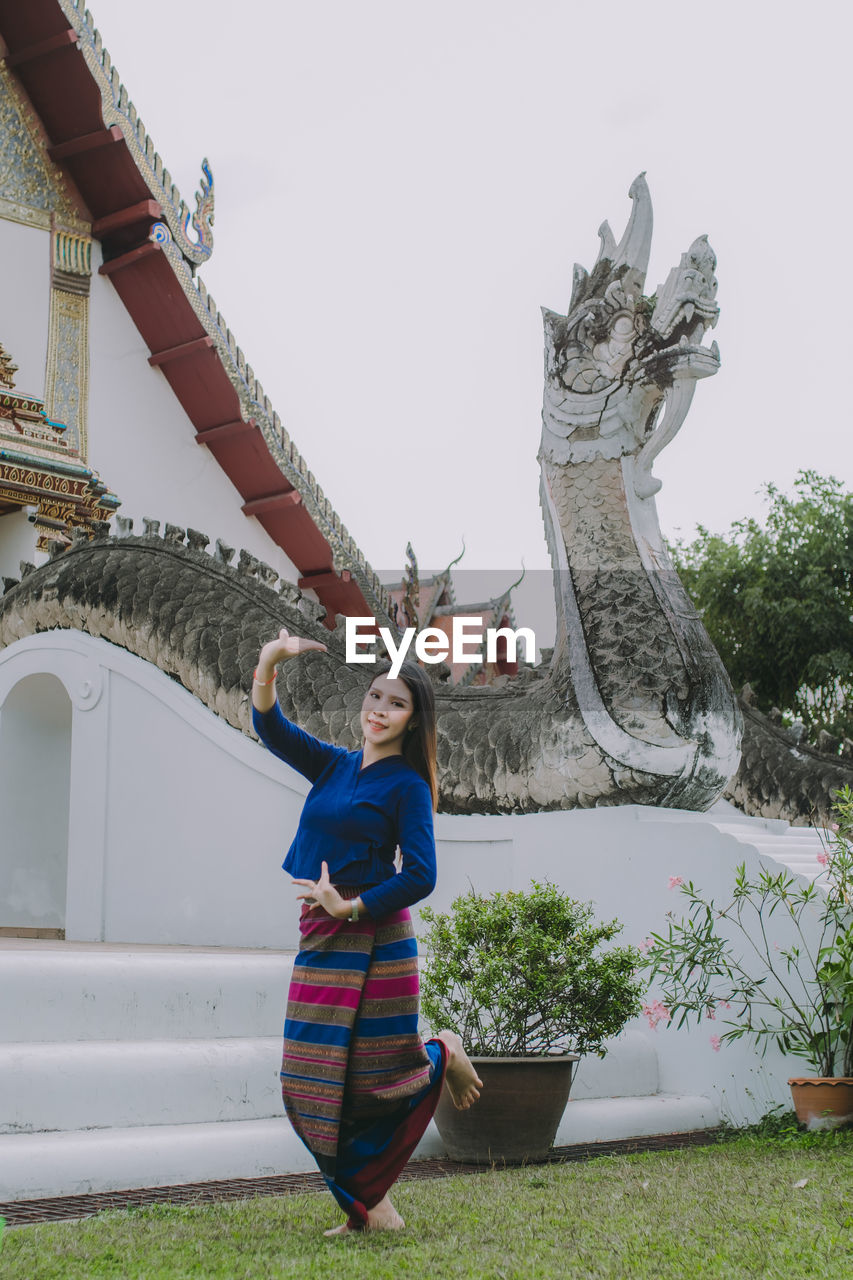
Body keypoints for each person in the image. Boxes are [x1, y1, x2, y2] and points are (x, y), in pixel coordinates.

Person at [252, 628, 483, 1235]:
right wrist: (269, 663)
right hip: (321, 935)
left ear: (413, 720)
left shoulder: (408, 786)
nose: (380, 710)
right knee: (307, 1078)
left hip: (376, 936)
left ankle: (371, 1207)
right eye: (375, 697)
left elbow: (423, 875)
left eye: (396, 703)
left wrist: (351, 908)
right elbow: (271, 729)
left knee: (374, 1080)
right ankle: (371, 1203)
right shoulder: (333, 764)